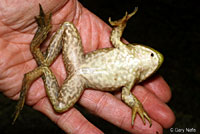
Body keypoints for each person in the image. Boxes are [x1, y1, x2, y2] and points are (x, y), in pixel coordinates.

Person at [0, 0, 175, 133]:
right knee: (68, 27)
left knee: (60, 106)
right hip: (79, 62)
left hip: (80, 79)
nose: (152, 59)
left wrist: (136, 105)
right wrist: (120, 25)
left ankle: (44, 69)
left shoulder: (131, 78)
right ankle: (42, 60)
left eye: (153, 60)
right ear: (141, 50)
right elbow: (115, 38)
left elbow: (126, 95)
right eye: (152, 55)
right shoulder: (126, 51)